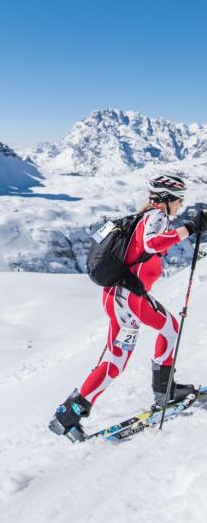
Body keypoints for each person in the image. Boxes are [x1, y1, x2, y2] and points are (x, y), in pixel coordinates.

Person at [49, 173, 207, 442]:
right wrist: (191, 228)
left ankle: (68, 414)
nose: (181, 205)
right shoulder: (155, 217)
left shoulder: (146, 218)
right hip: (127, 299)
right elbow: (152, 243)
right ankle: (163, 392)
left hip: (120, 296)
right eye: (179, 200)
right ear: (166, 200)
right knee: (165, 331)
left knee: (116, 359)